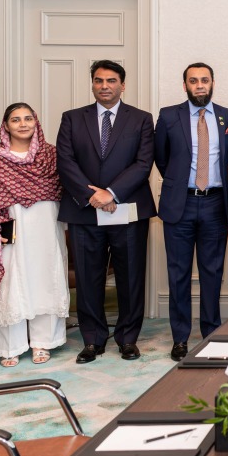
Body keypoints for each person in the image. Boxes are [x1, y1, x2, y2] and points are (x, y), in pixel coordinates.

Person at [56, 59, 155, 364]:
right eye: (99, 81)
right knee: (88, 278)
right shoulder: (72, 118)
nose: (104, 86)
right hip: (85, 211)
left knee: (130, 277)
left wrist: (111, 193)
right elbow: (66, 162)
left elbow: (143, 163)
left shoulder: (141, 119)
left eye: (111, 81)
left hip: (127, 210)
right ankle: (92, 340)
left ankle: (127, 339)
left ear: (122, 85)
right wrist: (94, 195)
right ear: (93, 84)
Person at [0, 103, 68, 366]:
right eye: (16, 119)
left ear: (36, 122)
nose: (23, 124)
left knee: (48, 276)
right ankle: (12, 346)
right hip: (8, 227)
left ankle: (44, 342)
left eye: (28, 118)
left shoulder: (52, 156)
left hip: (46, 223)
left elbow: (62, 189)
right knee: (11, 280)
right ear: (5, 125)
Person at [154, 63, 228, 362]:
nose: (199, 85)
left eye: (204, 80)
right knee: (178, 274)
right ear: (185, 85)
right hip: (181, 204)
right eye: (193, 81)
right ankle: (180, 338)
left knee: (212, 272)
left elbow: (226, 158)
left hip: (215, 203)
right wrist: (180, 185)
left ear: (213, 82)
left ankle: (211, 332)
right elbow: (161, 158)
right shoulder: (167, 116)